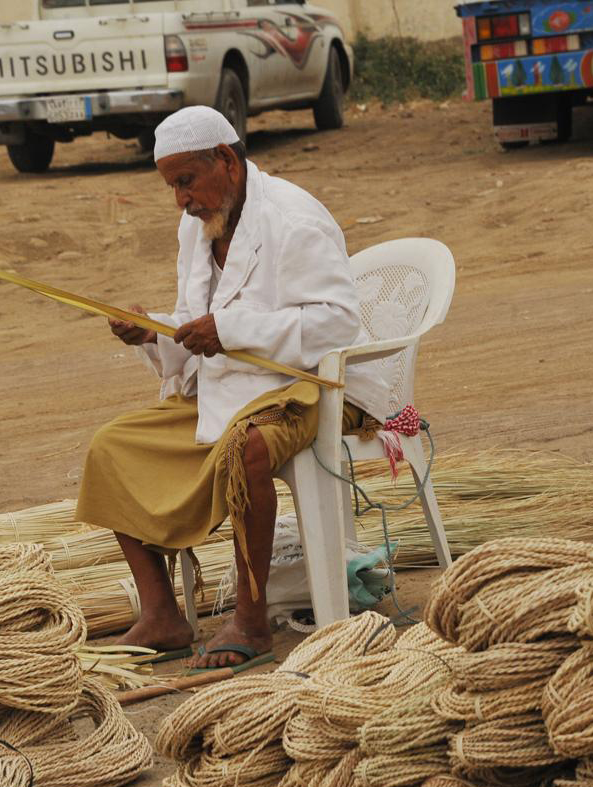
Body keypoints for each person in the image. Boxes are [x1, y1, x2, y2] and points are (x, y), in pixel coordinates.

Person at [75, 106, 387, 670]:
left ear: (226, 160)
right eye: (171, 186)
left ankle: (250, 620)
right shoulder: (198, 227)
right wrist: (154, 333)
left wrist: (231, 330)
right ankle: (162, 614)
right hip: (225, 387)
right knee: (112, 447)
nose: (181, 200)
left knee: (249, 450)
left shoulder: (294, 220)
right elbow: (197, 326)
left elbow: (338, 323)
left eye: (186, 181)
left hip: (306, 384)